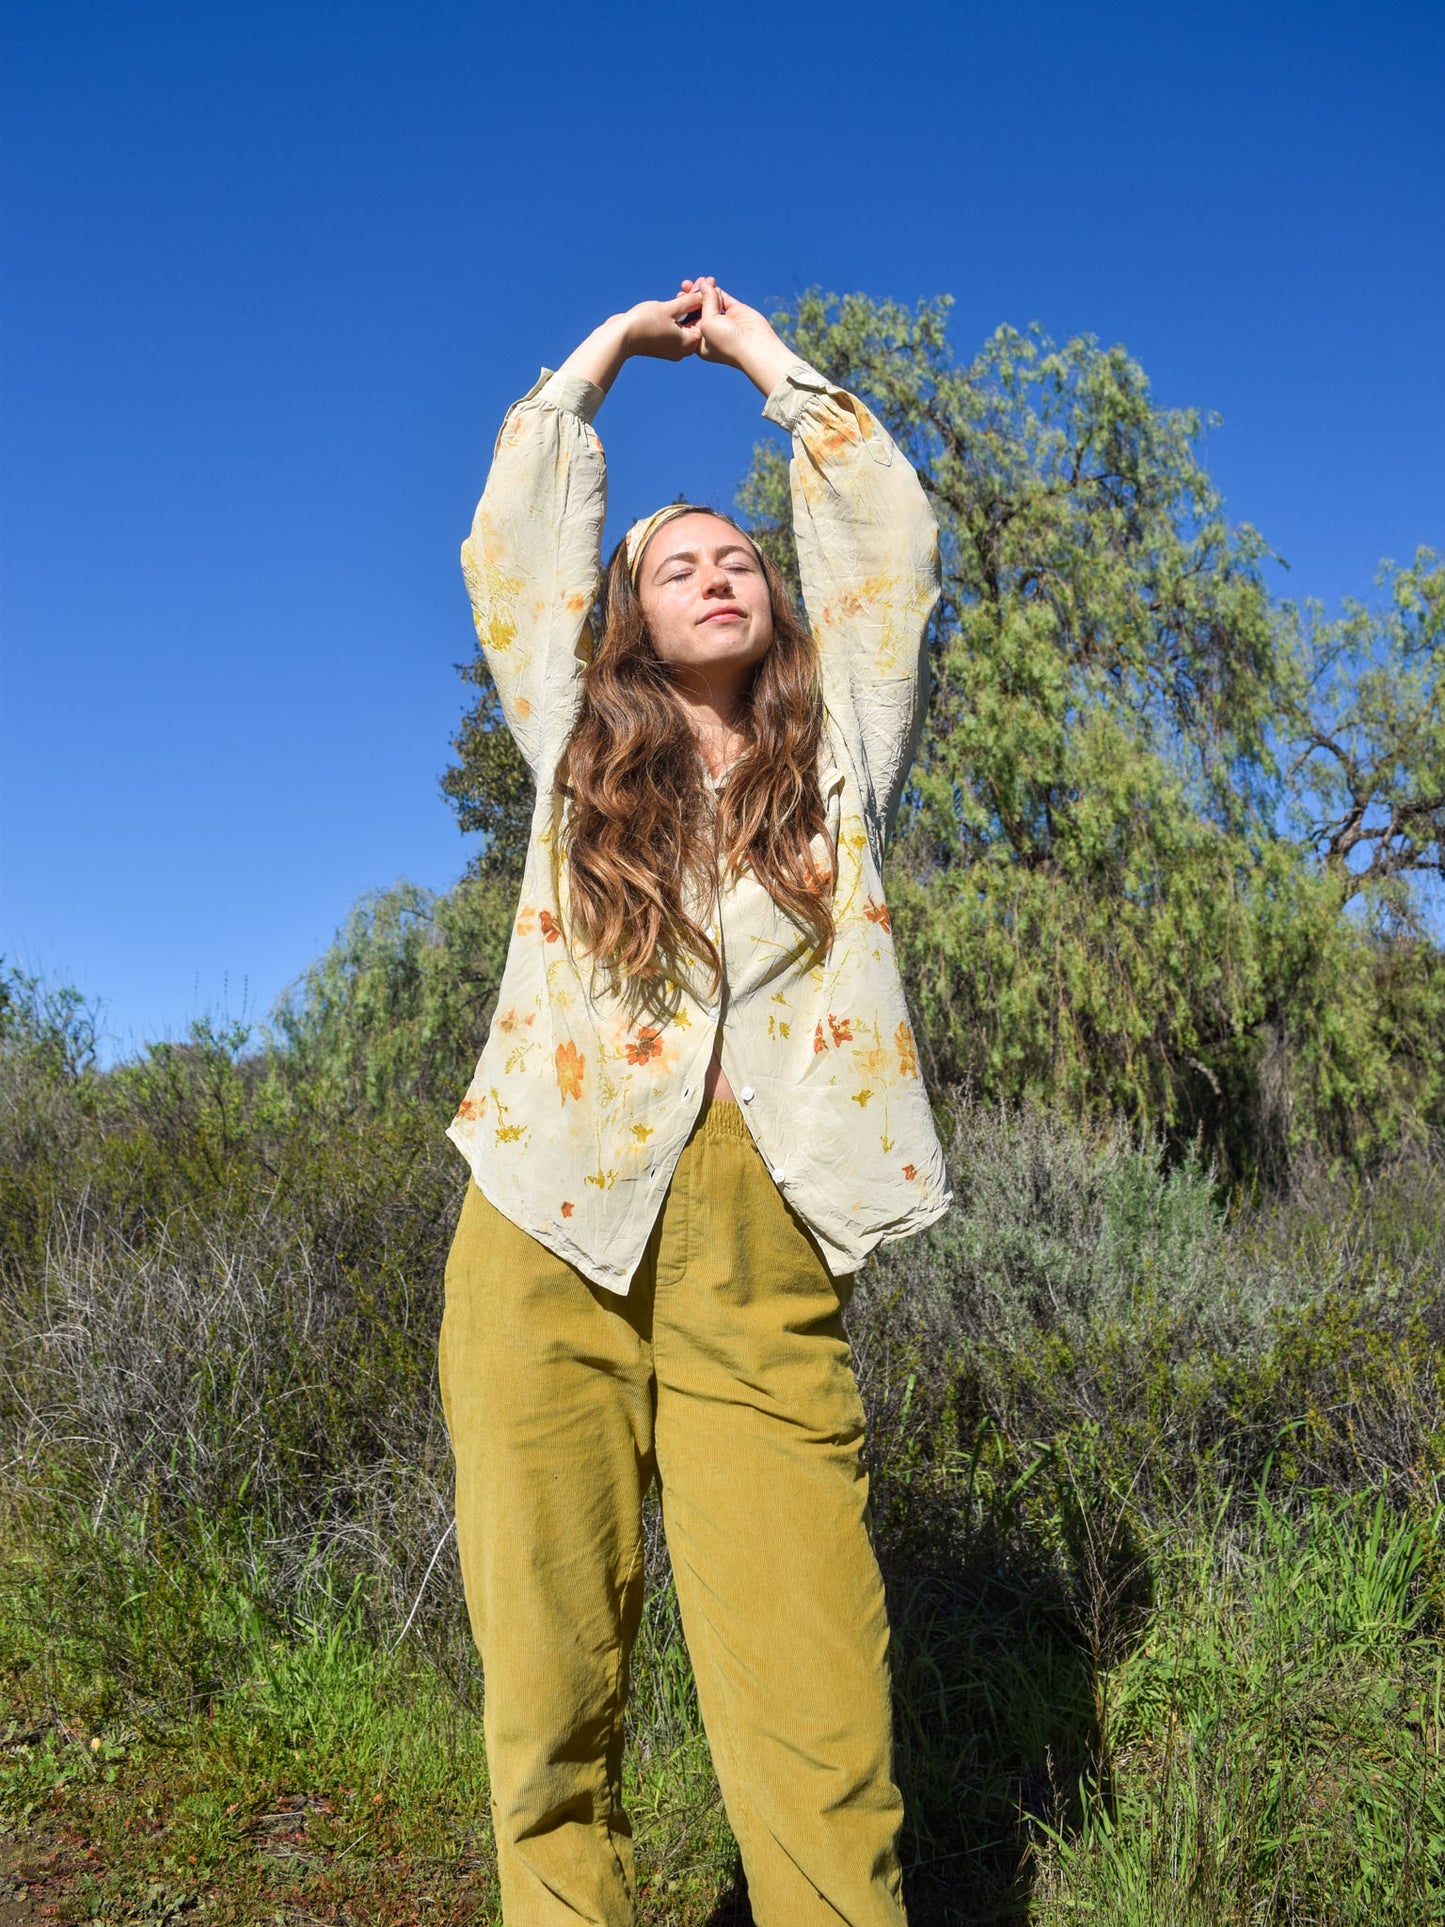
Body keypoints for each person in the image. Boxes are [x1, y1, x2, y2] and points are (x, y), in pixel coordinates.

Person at [439, 277, 951, 1926]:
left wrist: (759, 361)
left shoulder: (843, 753)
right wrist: (600, 358)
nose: (722, 572)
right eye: (679, 563)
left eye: (737, 558)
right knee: (549, 1679)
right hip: (542, 1220)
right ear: (627, 619)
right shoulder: (574, 746)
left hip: (766, 1235)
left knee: (815, 1697)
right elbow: (511, 550)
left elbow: (882, 532)